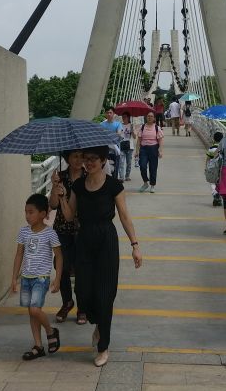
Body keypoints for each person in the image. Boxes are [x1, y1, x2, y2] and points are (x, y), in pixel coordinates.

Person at [51, 145, 143, 367]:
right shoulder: (80, 185)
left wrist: (135, 245)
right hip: (84, 239)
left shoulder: (113, 185)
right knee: (83, 290)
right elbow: (70, 215)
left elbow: (124, 216)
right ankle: (99, 324)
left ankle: (103, 346)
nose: (89, 162)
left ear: (103, 161)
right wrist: (62, 195)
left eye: (94, 159)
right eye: (86, 158)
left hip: (106, 240)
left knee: (105, 294)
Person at [11, 193, 63, 360]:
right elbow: (19, 255)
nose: (27, 215)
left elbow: (59, 256)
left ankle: (50, 331)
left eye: (31, 212)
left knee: (35, 309)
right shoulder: (23, 232)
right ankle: (38, 346)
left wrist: (58, 278)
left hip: (41, 278)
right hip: (26, 278)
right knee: (32, 313)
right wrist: (14, 277)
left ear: (42, 214)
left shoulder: (50, 234)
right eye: (25, 212)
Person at [50, 149, 86, 324]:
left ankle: (82, 307)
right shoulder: (60, 177)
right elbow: (53, 205)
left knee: (81, 269)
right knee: (61, 267)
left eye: (81, 156)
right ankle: (67, 302)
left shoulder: (88, 176)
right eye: (75, 156)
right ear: (67, 158)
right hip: (62, 228)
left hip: (82, 229)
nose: (79, 160)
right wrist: (54, 187)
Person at [136, 111, 164, 193]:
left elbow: (160, 140)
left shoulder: (156, 128)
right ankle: (145, 183)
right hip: (143, 149)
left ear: (154, 118)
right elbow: (139, 140)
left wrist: (160, 150)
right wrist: (137, 151)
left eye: (151, 116)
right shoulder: (142, 127)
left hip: (153, 149)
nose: (149, 117)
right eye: (148, 116)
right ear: (146, 117)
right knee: (142, 166)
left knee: (153, 168)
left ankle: (152, 185)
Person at [100, 109, 124, 176]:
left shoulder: (118, 124)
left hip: (114, 150)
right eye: (107, 112)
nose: (109, 114)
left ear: (114, 114)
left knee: (114, 168)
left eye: (110, 112)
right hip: (104, 149)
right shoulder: (101, 124)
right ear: (105, 114)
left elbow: (119, 134)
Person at [206, 131, 224, 207]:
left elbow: (208, 159)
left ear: (214, 139)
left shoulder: (211, 148)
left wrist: (206, 167)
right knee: (219, 182)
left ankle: (215, 193)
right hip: (222, 168)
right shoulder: (223, 148)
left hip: (213, 168)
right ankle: (219, 196)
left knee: (212, 182)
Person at [118, 113, 134, 181]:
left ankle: (127, 176)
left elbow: (135, 137)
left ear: (128, 118)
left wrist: (132, 130)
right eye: (122, 117)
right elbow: (118, 135)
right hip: (121, 144)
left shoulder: (131, 125)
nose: (123, 118)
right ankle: (121, 177)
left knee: (129, 162)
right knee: (121, 162)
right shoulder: (119, 125)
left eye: (125, 117)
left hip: (129, 146)